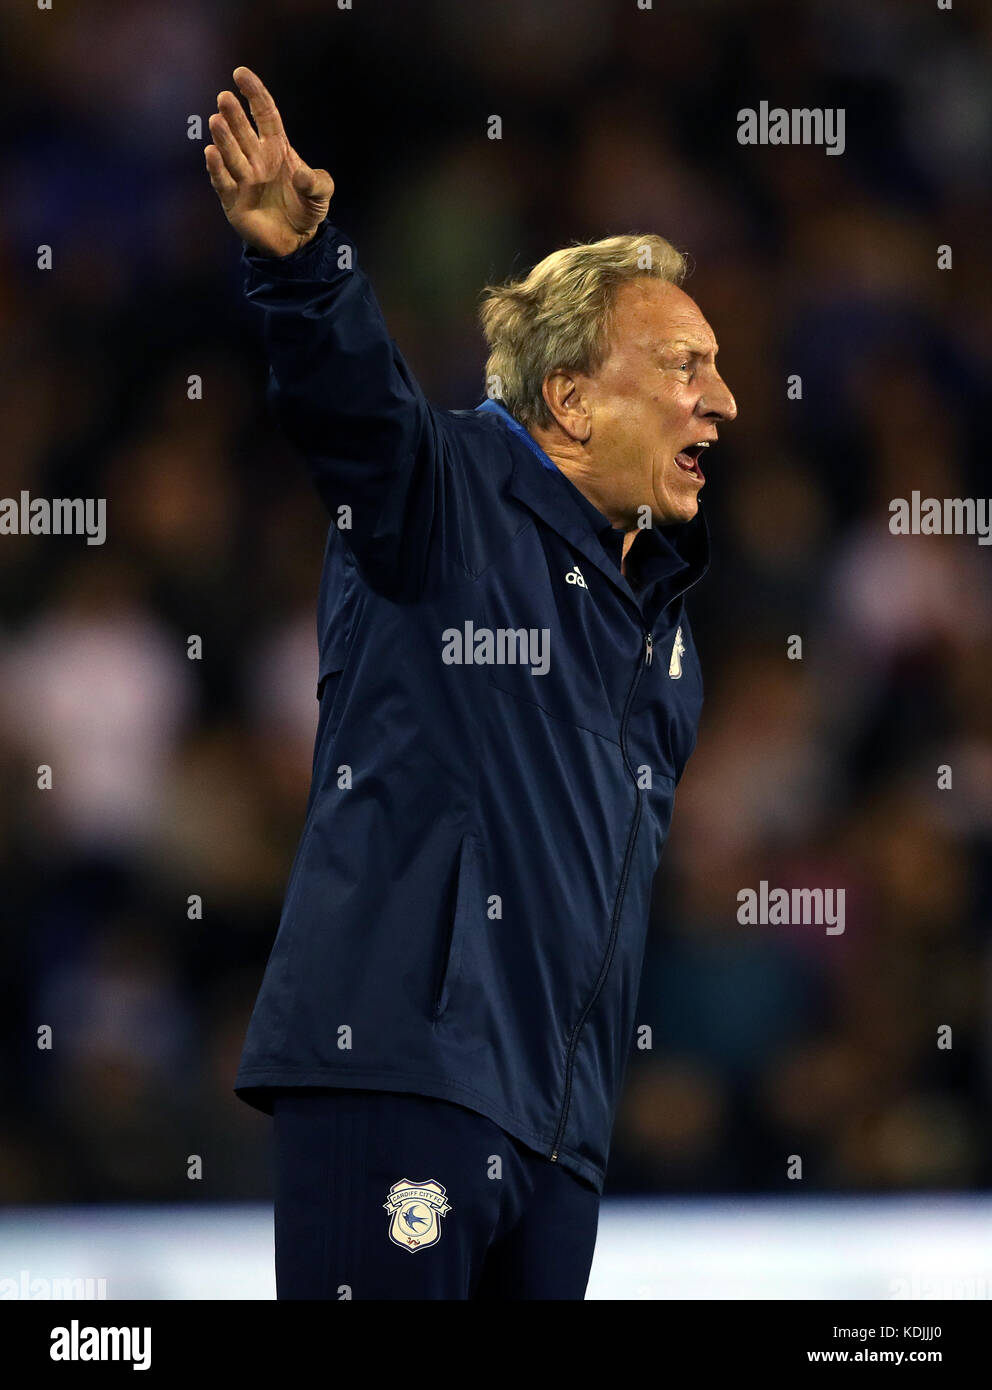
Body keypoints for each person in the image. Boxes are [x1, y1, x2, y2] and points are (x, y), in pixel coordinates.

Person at [205, 64, 737, 1301]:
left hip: (559, 1136)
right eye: (679, 364)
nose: (720, 397)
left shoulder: (663, 638)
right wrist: (302, 266)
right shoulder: (440, 498)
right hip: (401, 1075)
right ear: (566, 398)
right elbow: (355, 412)